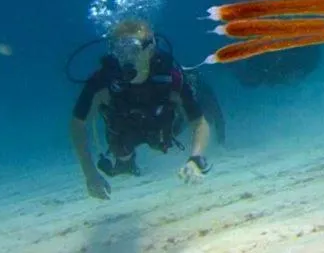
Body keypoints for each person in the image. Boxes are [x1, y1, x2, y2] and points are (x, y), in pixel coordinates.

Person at [69, 19, 215, 199]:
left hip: (164, 125)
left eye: (134, 49)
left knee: (171, 131)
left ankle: (200, 85)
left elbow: (198, 122)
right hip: (124, 127)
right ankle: (127, 162)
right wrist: (90, 174)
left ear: (150, 48)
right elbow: (77, 124)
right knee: (122, 155)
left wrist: (196, 159)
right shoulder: (102, 82)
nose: (127, 57)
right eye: (120, 50)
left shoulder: (170, 77)